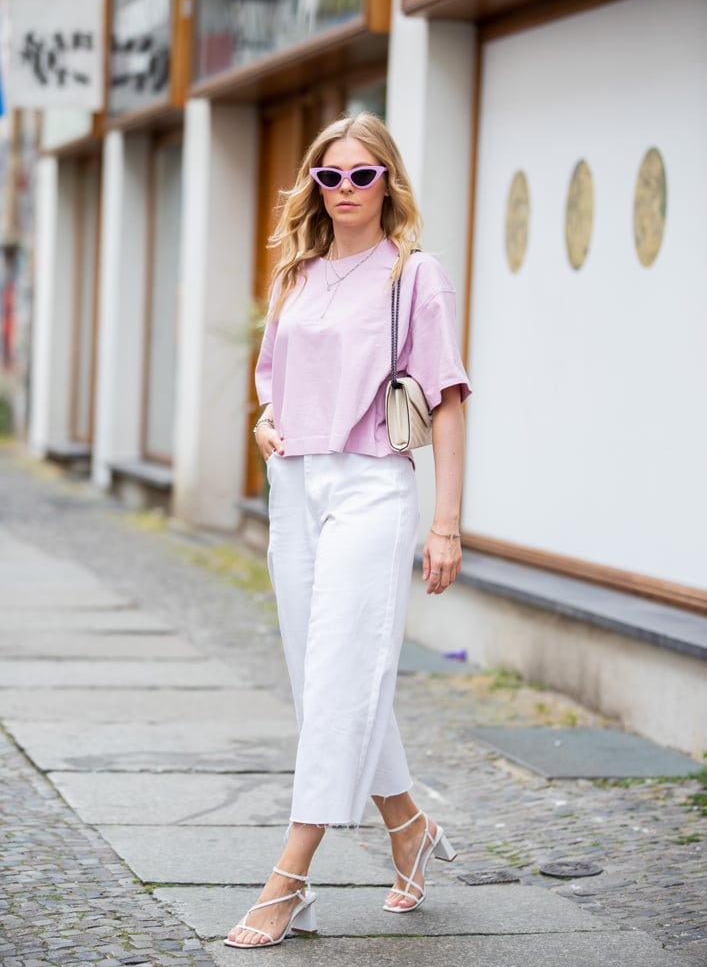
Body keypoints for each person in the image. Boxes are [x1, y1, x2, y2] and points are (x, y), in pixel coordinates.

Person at [225, 112, 471, 949]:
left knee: (338, 678)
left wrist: (445, 524)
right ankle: (408, 828)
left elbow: (446, 397)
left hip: (370, 484)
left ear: (388, 183)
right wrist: (265, 422)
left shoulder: (414, 275)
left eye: (362, 174)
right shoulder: (294, 271)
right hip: (293, 487)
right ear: (313, 184)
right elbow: (271, 380)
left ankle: (287, 881)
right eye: (330, 175)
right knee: (321, 677)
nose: (344, 189)